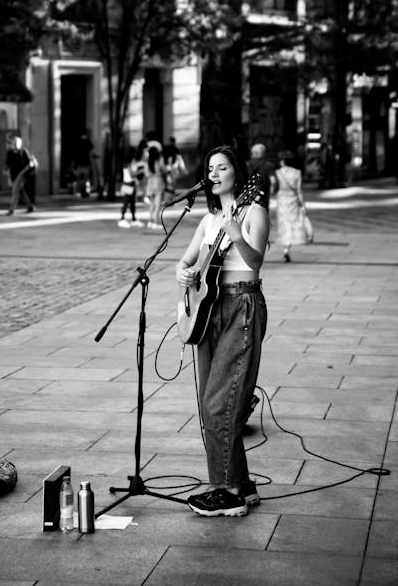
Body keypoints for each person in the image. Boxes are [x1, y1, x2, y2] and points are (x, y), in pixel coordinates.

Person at [175, 145, 269, 517]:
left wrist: (237, 232)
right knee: (211, 403)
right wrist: (184, 274)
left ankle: (226, 492)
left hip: (241, 305)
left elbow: (256, 262)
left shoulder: (254, 211)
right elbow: (186, 263)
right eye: (209, 168)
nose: (213, 174)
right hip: (207, 310)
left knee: (221, 402)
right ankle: (242, 485)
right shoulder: (206, 220)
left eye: (222, 167)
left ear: (237, 174)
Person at [274, 150, 309, 263]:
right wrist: (303, 204)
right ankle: (287, 247)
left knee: (283, 223)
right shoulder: (297, 172)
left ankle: (285, 247)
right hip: (293, 200)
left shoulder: (278, 172)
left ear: (283, 161)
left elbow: (274, 188)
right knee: (292, 222)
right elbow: (299, 190)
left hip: (282, 200)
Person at [4, 136, 36, 215]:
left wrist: (24, 172)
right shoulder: (10, 153)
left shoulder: (23, 152)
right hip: (13, 175)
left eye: (16, 144)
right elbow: (7, 164)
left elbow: (30, 164)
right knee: (20, 191)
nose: (15, 146)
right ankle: (30, 206)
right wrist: (6, 172)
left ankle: (12, 209)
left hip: (22, 174)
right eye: (13, 144)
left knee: (15, 191)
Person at [117, 148, 143, 228]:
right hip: (128, 184)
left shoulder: (130, 163)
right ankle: (122, 219)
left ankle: (133, 219)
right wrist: (141, 171)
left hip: (131, 183)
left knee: (132, 203)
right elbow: (132, 174)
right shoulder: (128, 163)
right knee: (126, 202)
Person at [246, 143, 275, 211]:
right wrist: (273, 191)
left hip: (247, 197)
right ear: (263, 153)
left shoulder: (246, 165)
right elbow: (273, 181)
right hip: (263, 198)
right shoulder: (269, 165)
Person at [145, 144, 167, 230]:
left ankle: (150, 222)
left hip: (150, 184)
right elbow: (164, 169)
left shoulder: (148, 161)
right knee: (157, 206)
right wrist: (161, 173)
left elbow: (146, 174)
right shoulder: (159, 160)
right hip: (158, 183)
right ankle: (156, 223)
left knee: (151, 205)